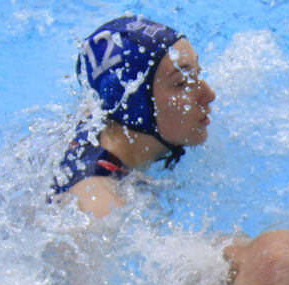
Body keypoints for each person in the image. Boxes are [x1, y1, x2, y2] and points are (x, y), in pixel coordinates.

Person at [51, 15, 216, 217]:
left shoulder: (100, 122)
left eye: (198, 73)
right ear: (133, 103)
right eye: (182, 83)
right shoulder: (99, 208)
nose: (209, 95)